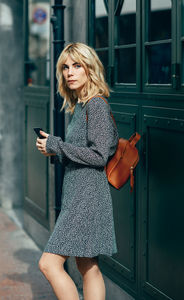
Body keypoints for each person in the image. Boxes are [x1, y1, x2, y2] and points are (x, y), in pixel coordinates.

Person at [35, 42, 119, 300]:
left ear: (90, 69)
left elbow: (98, 155)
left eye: (77, 66)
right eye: (65, 67)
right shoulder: (81, 106)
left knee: (48, 264)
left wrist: (57, 145)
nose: (69, 72)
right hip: (78, 193)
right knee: (87, 265)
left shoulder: (96, 106)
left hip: (87, 197)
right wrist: (56, 149)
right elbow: (80, 151)